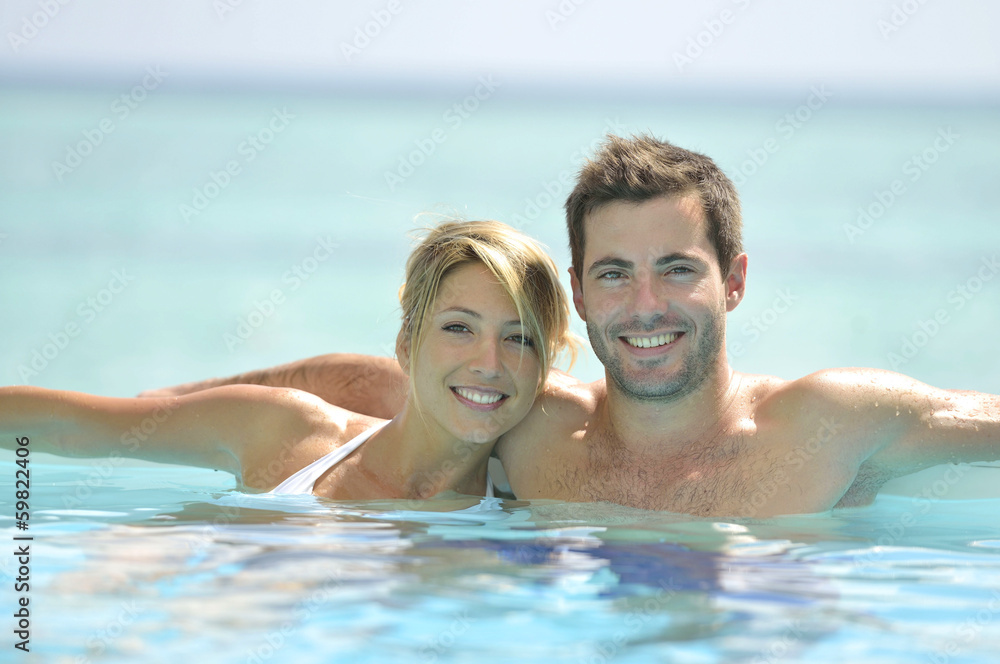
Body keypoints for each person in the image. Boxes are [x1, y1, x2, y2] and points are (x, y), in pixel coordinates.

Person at [142, 135, 1000, 517]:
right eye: (614, 275)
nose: (645, 308)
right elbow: (357, 379)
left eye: (677, 269)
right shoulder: (535, 423)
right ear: (581, 297)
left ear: (734, 280)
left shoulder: (828, 421)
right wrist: (169, 399)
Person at [2, 220, 576, 500]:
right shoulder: (288, 434)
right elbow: (70, 428)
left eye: (519, 338)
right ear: (406, 343)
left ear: (545, 366)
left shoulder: (528, 513)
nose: (489, 362)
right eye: (458, 328)